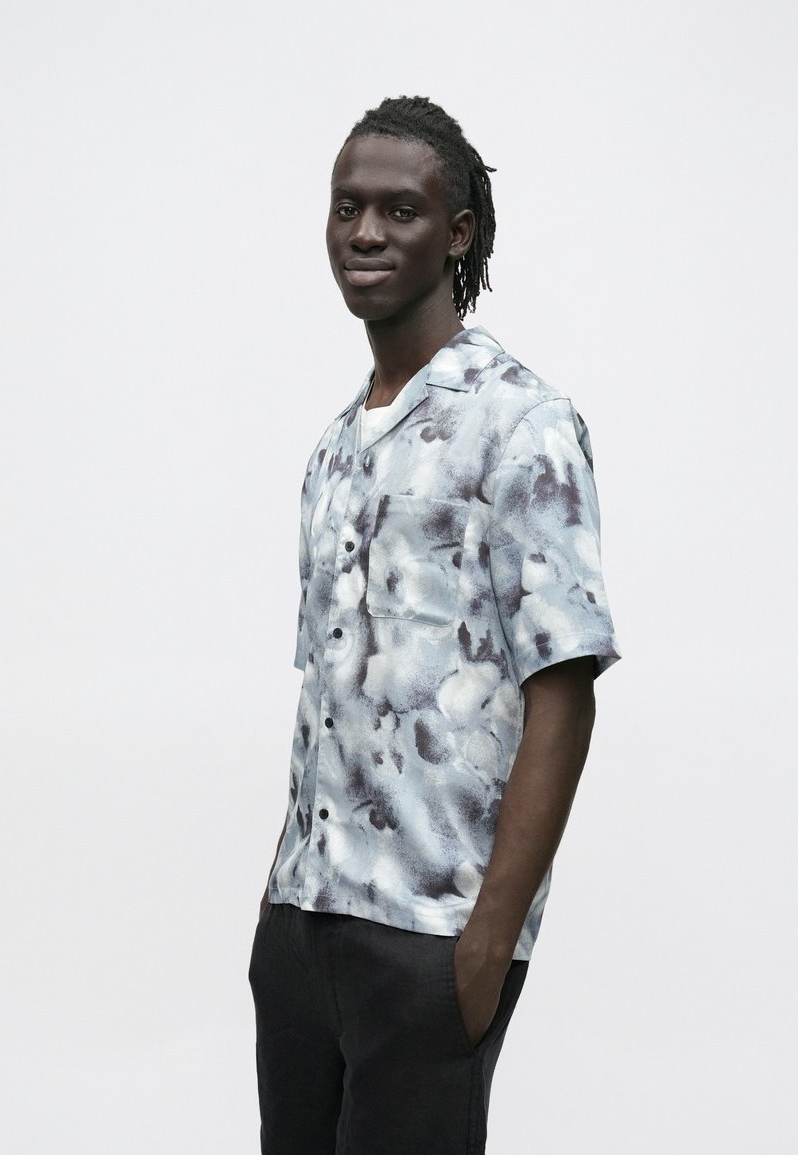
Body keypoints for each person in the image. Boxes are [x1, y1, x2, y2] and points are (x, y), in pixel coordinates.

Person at [249, 95, 620, 1154]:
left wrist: (487, 942)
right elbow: (327, 702)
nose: (364, 233)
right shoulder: (333, 449)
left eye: (398, 211)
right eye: (346, 208)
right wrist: (276, 916)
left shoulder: (521, 424)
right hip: (301, 930)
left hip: (428, 939)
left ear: (456, 234)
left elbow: (563, 692)